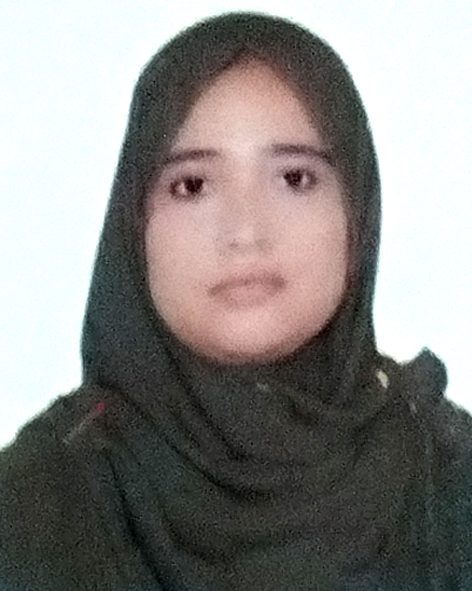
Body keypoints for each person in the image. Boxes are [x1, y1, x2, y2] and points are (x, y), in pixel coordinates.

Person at [1, 11, 471, 591]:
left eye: (295, 178)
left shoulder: (447, 475)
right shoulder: (37, 504)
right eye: (192, 185)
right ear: (134, 225)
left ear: (357, 212)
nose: (245, 232)